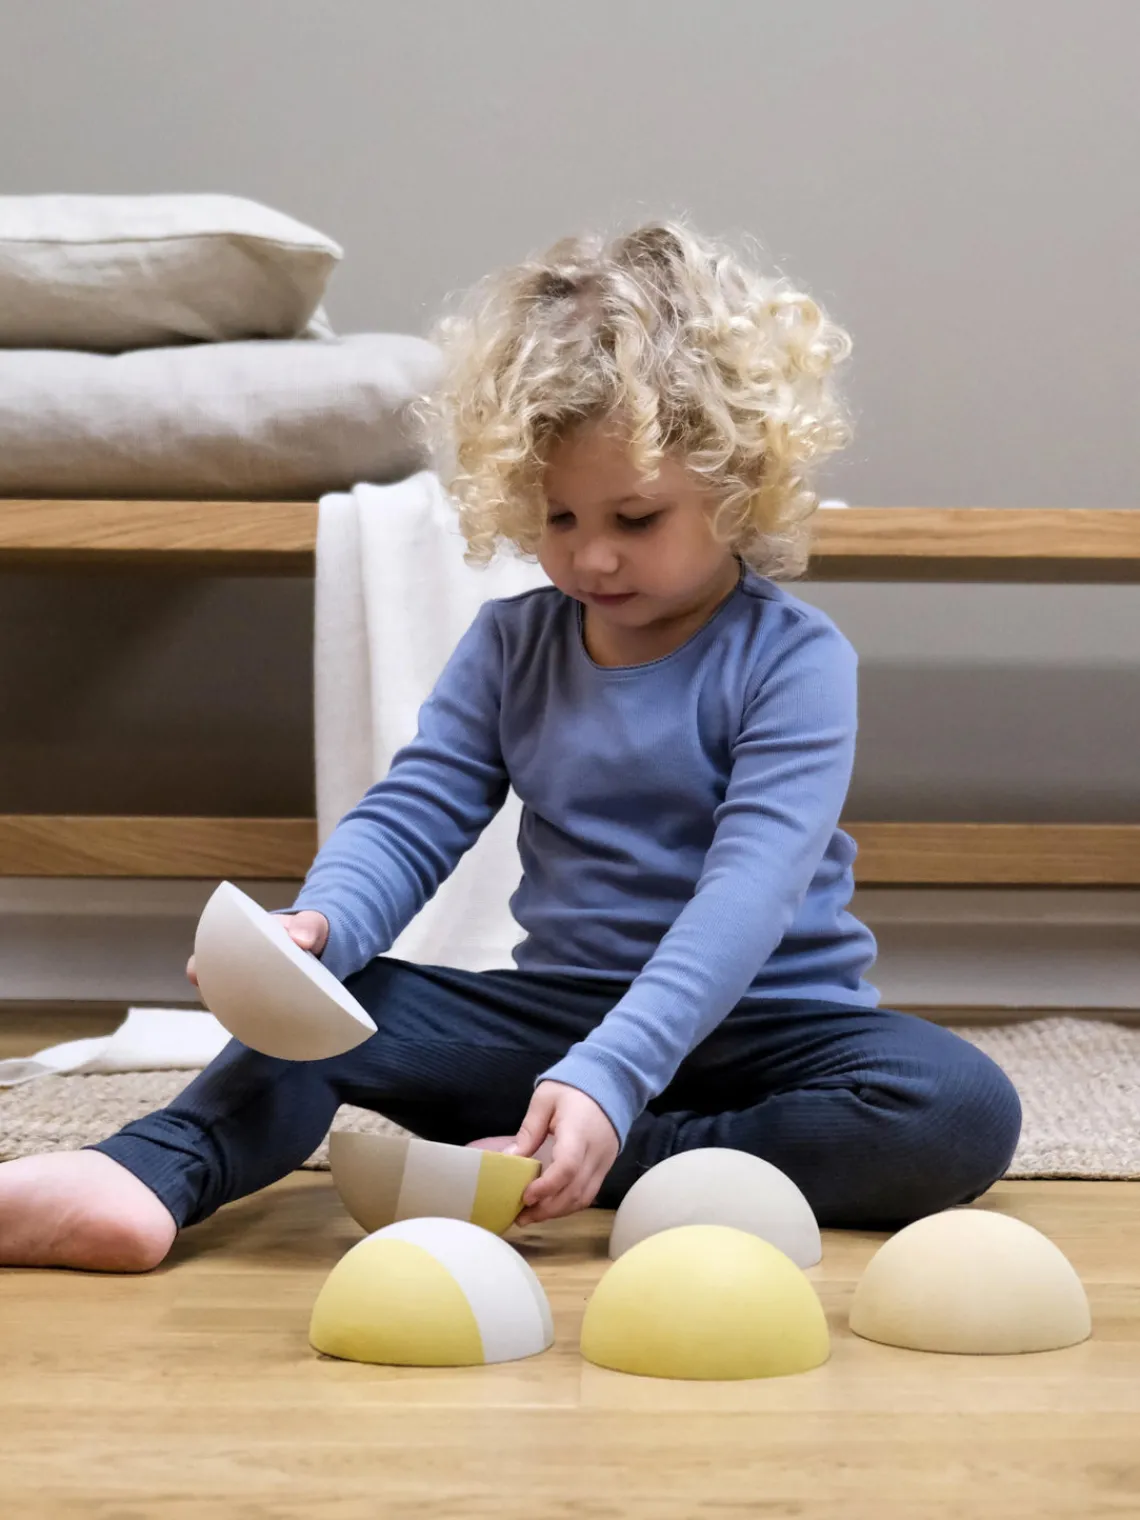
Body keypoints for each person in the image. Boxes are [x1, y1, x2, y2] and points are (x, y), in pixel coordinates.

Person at [0, 220, 1020, 1273]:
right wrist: (321, 926)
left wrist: (613, 1083)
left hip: (767, 1026)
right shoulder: (512, 644)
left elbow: (747, 896)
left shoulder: (794, 659)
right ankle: (148, 1171)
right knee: (344, 1013)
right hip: (559, 1019)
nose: (590, 553)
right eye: (558, 513)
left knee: (956, 1107)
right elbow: (415, 812)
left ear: (737, 478)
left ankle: (617, 1155)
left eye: (635, 515)